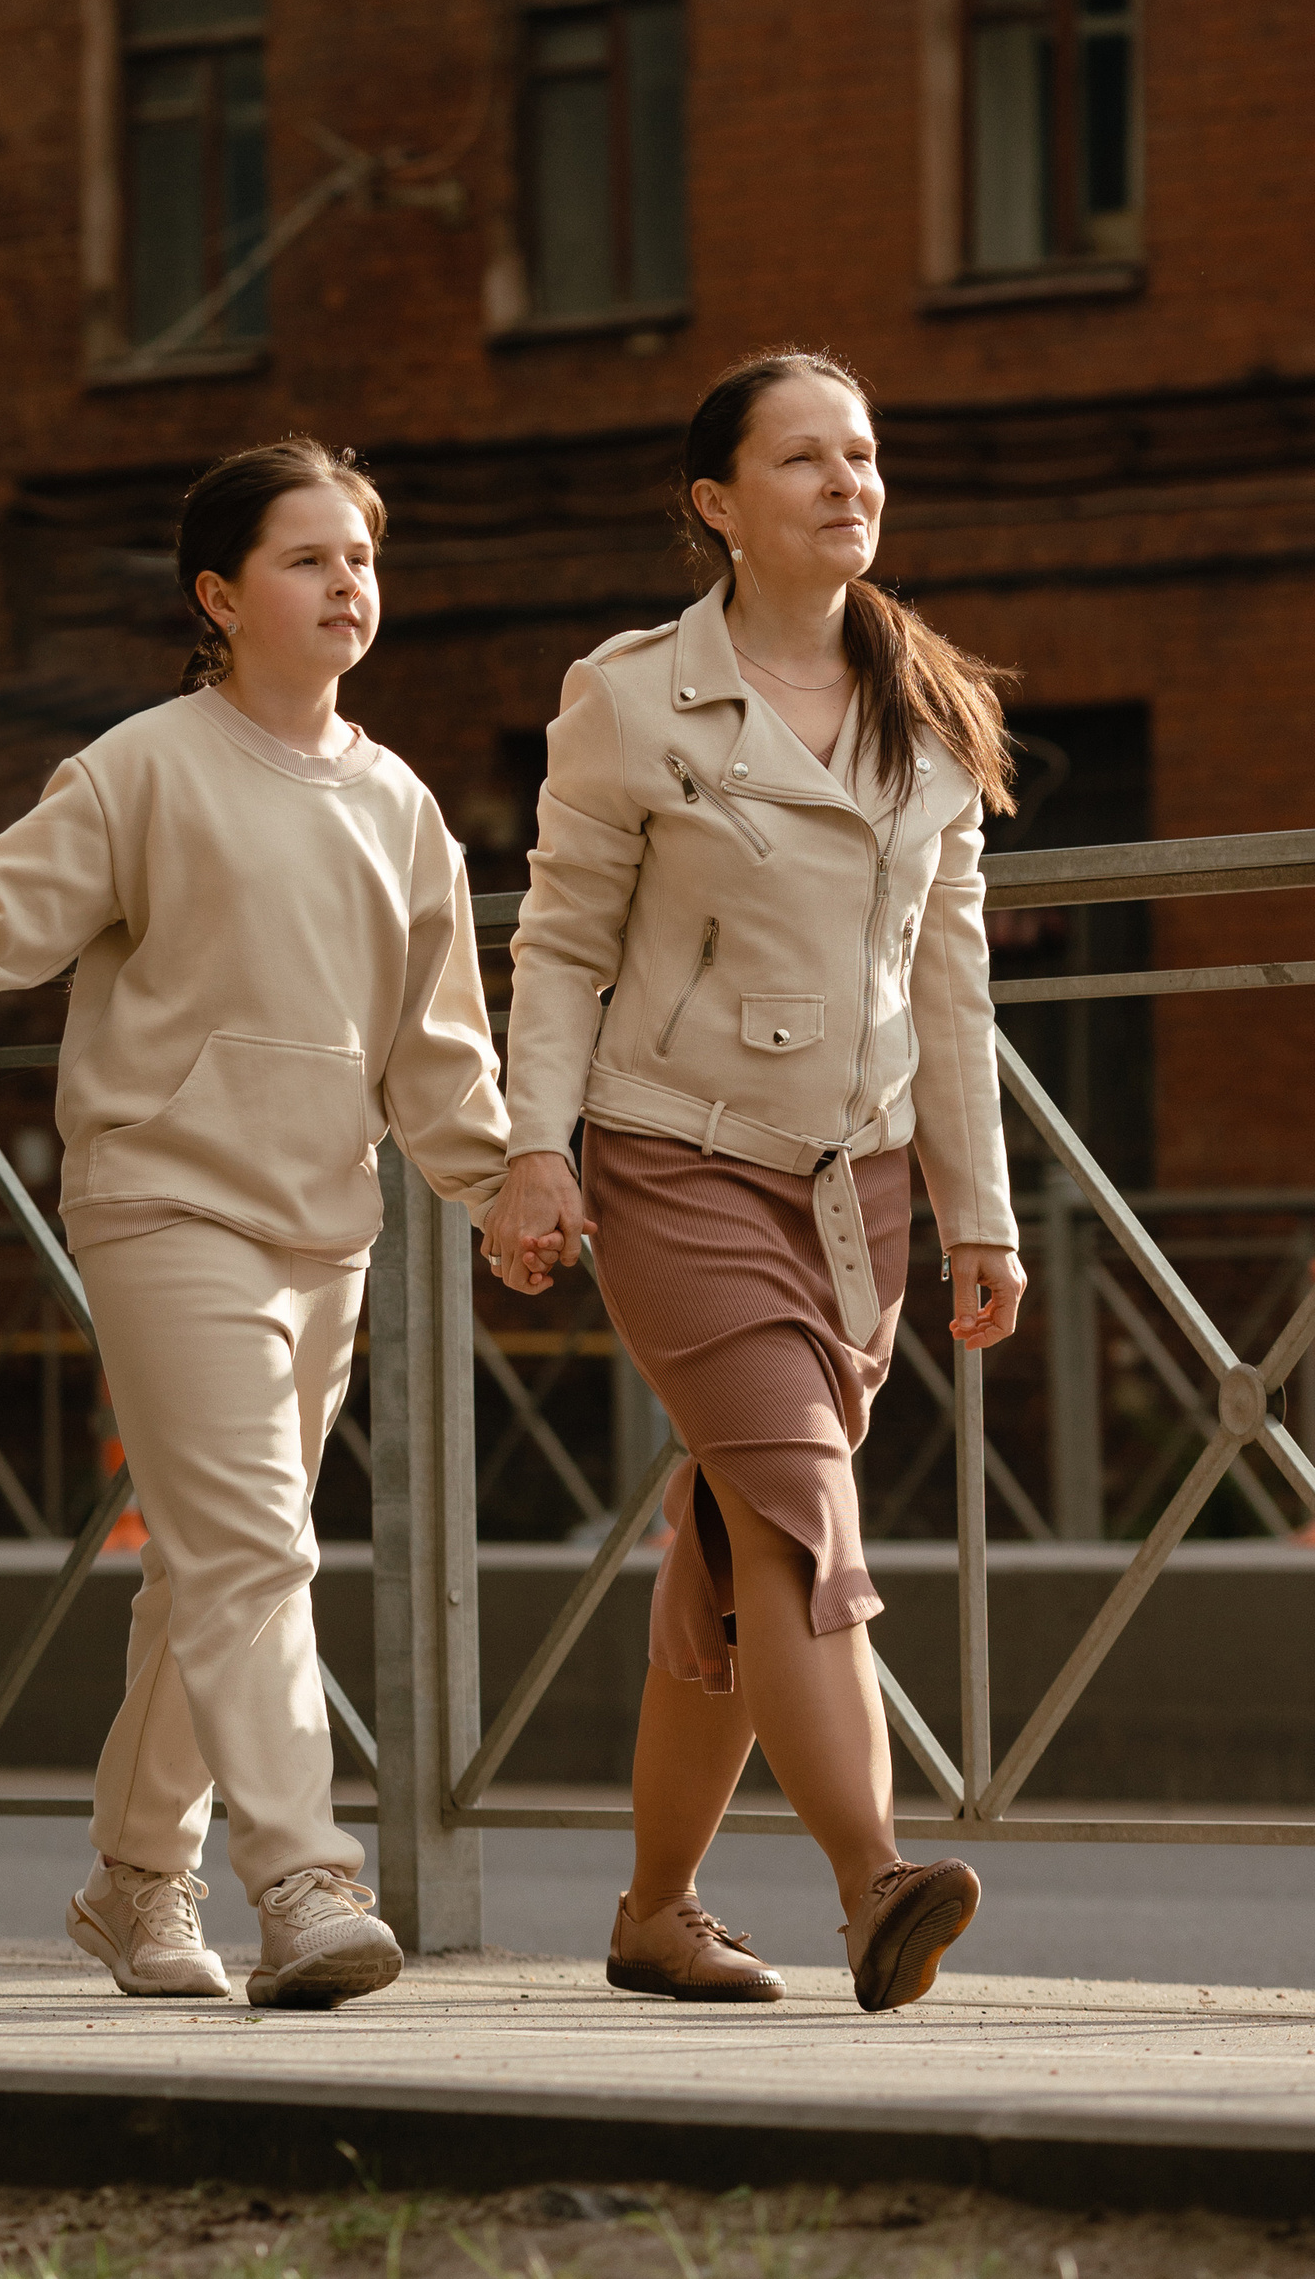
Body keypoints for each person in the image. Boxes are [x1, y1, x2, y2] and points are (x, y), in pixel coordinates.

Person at [0, 437, 508, 2009]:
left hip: (323, 1224)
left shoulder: (405, 803)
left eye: (362, 557)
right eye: (307, 557)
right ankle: (305, 1873)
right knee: (257, 1543)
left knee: (209, 1564)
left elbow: (438, 1043)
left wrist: (507, 1184)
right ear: (218, 596)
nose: (348, 581)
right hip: (165, 1199)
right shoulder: (142, 766)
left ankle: (138, 1879)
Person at [489, 348, 1025, 2015]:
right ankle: (876, 1876)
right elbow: (563, 936)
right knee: (798, 1502)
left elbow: (951, 983)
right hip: (673, 1159)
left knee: (733, 1541)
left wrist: (976, 1207)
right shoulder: (637, 693)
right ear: (719, 504)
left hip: (851, 1191)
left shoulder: (931, 708)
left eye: (863, 453)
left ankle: (658, 1907)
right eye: (804, 459)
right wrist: (532, 1147)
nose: (847, 481)